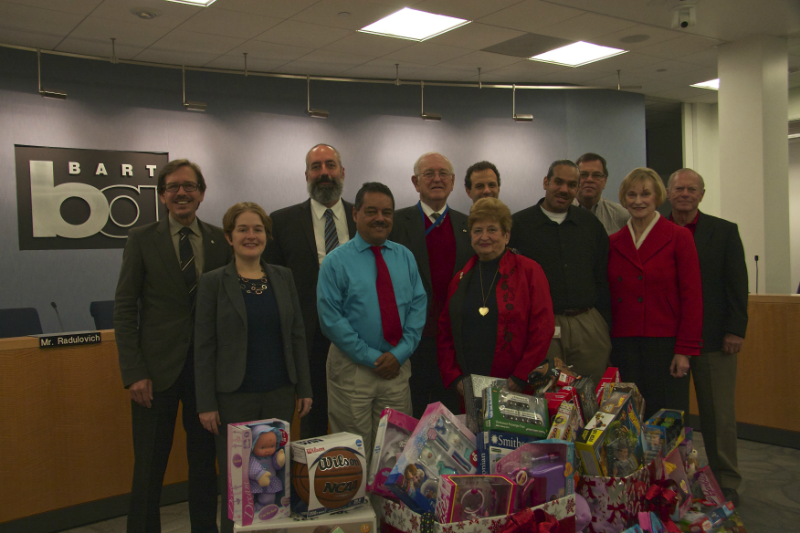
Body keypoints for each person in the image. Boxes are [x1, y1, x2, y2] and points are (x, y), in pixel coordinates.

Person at [114, 159, 230, 533]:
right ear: (162, 196)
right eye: (173, 187)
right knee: (148, 467)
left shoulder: (218, 239)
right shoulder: (141, 238)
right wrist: (134, 373)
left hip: (204, 376)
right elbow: (125, 306)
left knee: (202, 466)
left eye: (189, 186)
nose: (182, 193)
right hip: (154, 375)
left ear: (201, 193)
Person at [194, 202, 312, 533]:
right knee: (237, 485)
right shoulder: (213, 282)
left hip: (279, 393)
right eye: (242, 229)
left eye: (257, 229)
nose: (251, 235)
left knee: (276, 480)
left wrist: (304, 387)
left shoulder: (282, 277)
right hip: (234, 398)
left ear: (266, 236)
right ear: (229, 237)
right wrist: (206, 403)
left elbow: (296, 334)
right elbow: (204, 347)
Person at [318, 182, 426, 461]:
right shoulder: (335, 262)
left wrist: (398, 354)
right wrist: (374, 358)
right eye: (372, 211)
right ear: (355, 214)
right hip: (353, 370)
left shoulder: (405, 257)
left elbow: (417, 307)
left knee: (396, 450)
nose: (380, 218)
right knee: (352, 453)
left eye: (387, 212)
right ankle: (357, 506)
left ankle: (387, 507)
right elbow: (331, 320)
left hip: (396, 370)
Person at [264, 144, 356, 439]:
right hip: (308, 340)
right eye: (316, 167)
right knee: (312, 419)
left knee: (356, 418)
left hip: (359, 337)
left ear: (342, 172)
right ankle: (307, 483)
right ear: (306, 175)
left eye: (330, 165)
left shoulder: (364, 217)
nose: (324, 173)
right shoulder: (280, 222)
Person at [668, 168, 748, 505]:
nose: (685, 194)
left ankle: (726, 479)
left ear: (702, 194)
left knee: (719, 415)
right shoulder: (656, 230)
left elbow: (736, 283)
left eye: (692, 189)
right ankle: (672, 478)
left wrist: (735, 329)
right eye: (679, 188)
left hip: (715, 339)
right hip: (668, 341)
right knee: (670, 413)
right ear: (668, 193)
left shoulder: (724, 232)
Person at [607, 167, 703, 420]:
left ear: (658, 197)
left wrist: (684, 351)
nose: (638, 201)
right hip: (624, 344)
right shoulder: (613, 242)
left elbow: (692, 297)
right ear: (624, 199)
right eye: (632, 195)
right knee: (627, 419)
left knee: (665, 418)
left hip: (665, 343)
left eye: (645, 194)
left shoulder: (679, 237)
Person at [437, 198, 554, 397]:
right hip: (470, 388)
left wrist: (519, 377)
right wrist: (455, 378)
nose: (484, 237)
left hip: (517, 387)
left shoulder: (530, 271)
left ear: (506, 236)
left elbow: (543, 328)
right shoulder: (460, 278)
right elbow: (444, 332)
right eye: (477, 231)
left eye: (492, 230)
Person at [509, 159, 612, 385]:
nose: (564, 190)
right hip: (540, 327)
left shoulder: (591, 225)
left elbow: (603, 276)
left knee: (590, 396)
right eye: (558, 182)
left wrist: (603, 323)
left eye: (571, 185)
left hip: (588, 325)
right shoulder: (518, 225)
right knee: (545, 394)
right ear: (546, 182)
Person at [390, 152, 472, 417]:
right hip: (411, 339)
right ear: (416, 182)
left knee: (450, 414)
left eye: (443, 174)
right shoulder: (395, 224)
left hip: (454, 340)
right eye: (429, 174)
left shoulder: (468, 226)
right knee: (409, 412)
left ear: (452, 181)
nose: (437, 179)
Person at [573, 153, 630, 235]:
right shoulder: (561, 212)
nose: (589, 179)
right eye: (583, 175)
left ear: (605, 181)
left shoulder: (622, 216)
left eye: (596, 175)